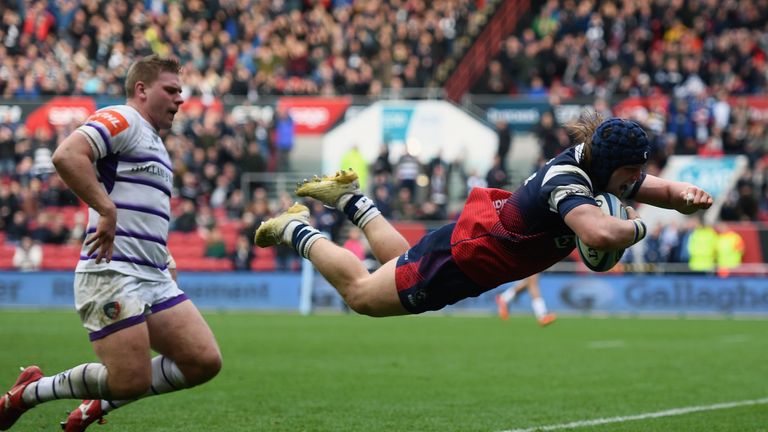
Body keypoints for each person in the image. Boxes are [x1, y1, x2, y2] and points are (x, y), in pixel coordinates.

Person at [254, 113, 713, 319]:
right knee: (362, 297)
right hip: (466, 257)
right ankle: (296, 227)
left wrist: (684, 196)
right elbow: (598, 230)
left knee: (401, 263)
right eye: (633, 171)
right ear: (611, 166)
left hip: (474, 245)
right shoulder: (568, 181)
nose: (639, 179)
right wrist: (642, 226)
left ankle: (351, 198)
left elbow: (662, 190)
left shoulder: (607, 170)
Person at [0, 55, 222, 432]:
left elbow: (142, 207)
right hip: (112, 270)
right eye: (170, 90)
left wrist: (162, 254)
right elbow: (68, 154)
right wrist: (105, 209)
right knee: (129, 380)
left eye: (181, 92)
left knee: (203, 361)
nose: (179, 100)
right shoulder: (123, 118)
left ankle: (89, 407)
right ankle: (30, 392)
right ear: (141, 90)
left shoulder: (155, 142)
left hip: (151, 273)